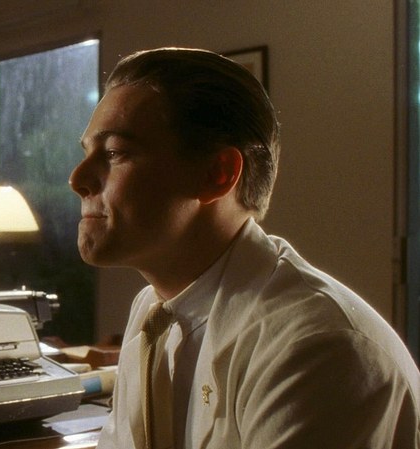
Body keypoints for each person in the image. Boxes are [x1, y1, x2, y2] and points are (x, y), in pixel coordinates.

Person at [70, 47, 420, 449]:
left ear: (217, 174)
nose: (77, 179)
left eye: (115, 152)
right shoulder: (153, 312)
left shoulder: (316, 347)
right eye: (87, 152)